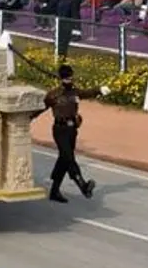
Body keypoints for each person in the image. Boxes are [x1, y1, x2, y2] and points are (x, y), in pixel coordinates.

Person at [41, 65, 109, 203]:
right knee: (69, 157)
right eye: (66, 78)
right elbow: (41, 108)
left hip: (72, 130)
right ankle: (82, 185)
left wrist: (99, 90)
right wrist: (28, 118)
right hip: (59, 130)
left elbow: (87, 92)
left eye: (70, 77)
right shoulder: (53, 95)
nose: (69, 81)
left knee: (64, 159)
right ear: (61, 79)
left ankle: (54, 191)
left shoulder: (74, 92)